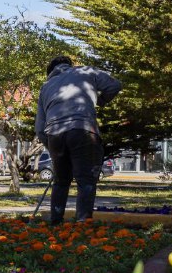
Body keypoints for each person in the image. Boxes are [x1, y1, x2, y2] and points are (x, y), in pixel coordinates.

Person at [35, 56, 122, 225]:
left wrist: (52, 149)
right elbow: (114, 85)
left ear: (51, 71)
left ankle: (55, 223)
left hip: (55, 135)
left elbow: (40, 129)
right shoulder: (85, 71)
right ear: (69, 65)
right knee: (86, 180)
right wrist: (101, 101)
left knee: (60, 182)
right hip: (83, 129)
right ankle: (83, 225)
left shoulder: (46, 87)